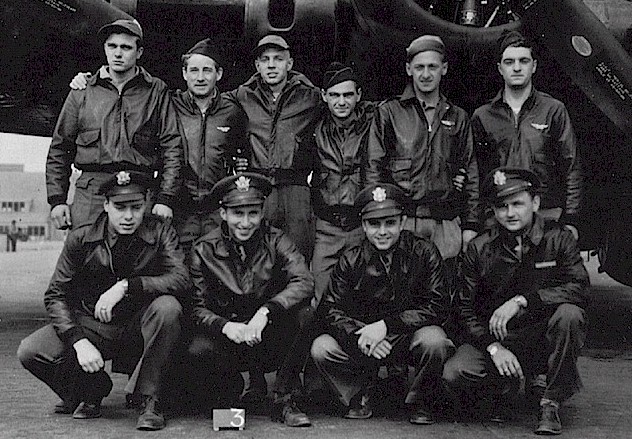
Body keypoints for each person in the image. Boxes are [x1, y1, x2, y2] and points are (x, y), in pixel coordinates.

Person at [17, 171, 190, 431]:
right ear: (106, 205)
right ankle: (91, 389)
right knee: (31, 350)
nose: (128, 216)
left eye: (136, 207)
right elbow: (56, 294)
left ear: (146, 203)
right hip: (95, 325)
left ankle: (150, 400)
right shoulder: (82, 238)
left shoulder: (161, 231)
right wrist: (78, 341)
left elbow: (181, 278)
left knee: (168, 308)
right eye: (120, 207)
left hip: (140, 326)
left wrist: (127, 286)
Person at [442, 167, 589, 435]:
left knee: (570, 315)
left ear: (535, 203)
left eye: (517, 204)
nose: (509, 213)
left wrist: (525, 300)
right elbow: (464, 309)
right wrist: (493, 348)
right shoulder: (480, 247)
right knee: (455, 373)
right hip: (501, 338)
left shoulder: (558, 238)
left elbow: (580, 288)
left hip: (541, 337)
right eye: (501, 206)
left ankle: (550, 401)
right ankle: (504, 384)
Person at [311, 183, 453, 425]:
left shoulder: (424, 251)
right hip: (365, 340)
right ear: (364, 226)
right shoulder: (351, 257)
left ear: (403, 221)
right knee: (322, 348)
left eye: (390, 223)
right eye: (374, 224)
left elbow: (438, 304)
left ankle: (419, 400)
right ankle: (360, 393)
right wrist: (359, 334)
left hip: (407, 336)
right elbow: (330, 308)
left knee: (435, 341)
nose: (382, 231)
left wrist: (387, 326)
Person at [188, 172, 315, 427]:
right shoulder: (203, 249)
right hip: (228, 338)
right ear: (223, 214)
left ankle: (284, 399)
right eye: (238, 213)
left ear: (262, 213)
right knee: (197, 347)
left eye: (253, 213)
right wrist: (225, 325)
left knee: (306, 314)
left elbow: (304, 281)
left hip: (266, 336)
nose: (245, 222)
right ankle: (228, 400)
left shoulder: (276, 239)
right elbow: (195, 306)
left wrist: (267, 311)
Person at [47, 19, 182, 231]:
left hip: (139, 191)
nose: (118, 53)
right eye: (112, 46)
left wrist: (165, 198)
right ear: (105, 49)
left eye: (126, 47)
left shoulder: (156, 91)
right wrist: (57, 200)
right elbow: (60, 148)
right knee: (87, 257)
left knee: (139, 260)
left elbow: (172, 147)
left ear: (139, 52)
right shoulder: (82, 91)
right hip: (92, 193)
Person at [366, 35, 480, 260]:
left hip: (445, 225)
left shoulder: (458, 116)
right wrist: (379, 219)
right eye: (419, 67)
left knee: (444, 290)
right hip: (403, 222)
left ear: (444, 69)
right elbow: (373, 168)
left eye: (432, 67)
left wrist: (471, 225)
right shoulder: (389, 113)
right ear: (409, 69)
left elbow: (471, 173)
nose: (426, 74)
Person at [471, 30, 582, 237]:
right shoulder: (483, 116)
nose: (516, 67)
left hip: (546, 217)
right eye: (509, 62)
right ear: (500, 68)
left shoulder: (553, 110)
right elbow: (474, 174)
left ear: (534, 66)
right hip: (500, 218)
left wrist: (571, 219)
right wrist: (475, 222)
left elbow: (571, 167)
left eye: (523, 61)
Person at [225, 35, 321, 263]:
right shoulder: (242, 96)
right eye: (265, 59)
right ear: (257, 65)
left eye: (278, 59)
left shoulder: (310, 96)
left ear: (289, 64)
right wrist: (236, 158)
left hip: (295, 190)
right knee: (258, 259)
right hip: (260, 189)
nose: (271, 65)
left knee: (297, 258)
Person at [170, 38, 249, 263]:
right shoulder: (171, 106)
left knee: (217, 269)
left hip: (216, 211)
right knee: (180, 271)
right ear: (184, 73)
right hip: (181, 211)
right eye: (194, 70)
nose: (200, 77)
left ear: (219, 74)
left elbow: (243, 152)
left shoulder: (232, 111)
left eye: (207, 70)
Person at [310, 62, 376, 307]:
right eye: (335, 95)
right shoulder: (314, 127)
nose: (341, 101)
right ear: (324, 96)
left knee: (364, 296)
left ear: (358, 95)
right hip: (326, 228)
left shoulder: (374, 124)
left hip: (360, 226)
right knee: (321, 296)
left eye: (348, 95)